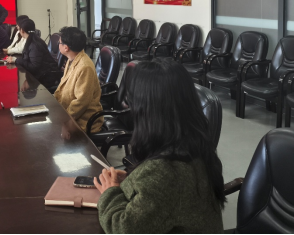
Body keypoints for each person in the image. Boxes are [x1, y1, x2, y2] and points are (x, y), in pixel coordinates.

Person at [95, 59, 225, 235]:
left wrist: (110, 192)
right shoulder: (193, 146)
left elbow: (123, 228)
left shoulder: (166, 172)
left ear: (148, 111)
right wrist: (131, 181)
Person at [54, 27, 103, 134]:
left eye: (59, 43)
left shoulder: (85, 67)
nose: (58, 45)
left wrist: (63, 117)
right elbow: (62, 86)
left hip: (84, 119)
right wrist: (53, 104)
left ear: (66, 48)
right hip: (69, 112)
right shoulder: (72, 59)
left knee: (53, 135)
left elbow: (81, 102)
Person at [5, 19, 62, 89]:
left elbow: (34, 67)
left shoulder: (34, 45)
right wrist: (16, 60)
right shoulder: (32, 39)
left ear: (22, 30)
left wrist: (16, 60)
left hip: (45, 76)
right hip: (41, 73)